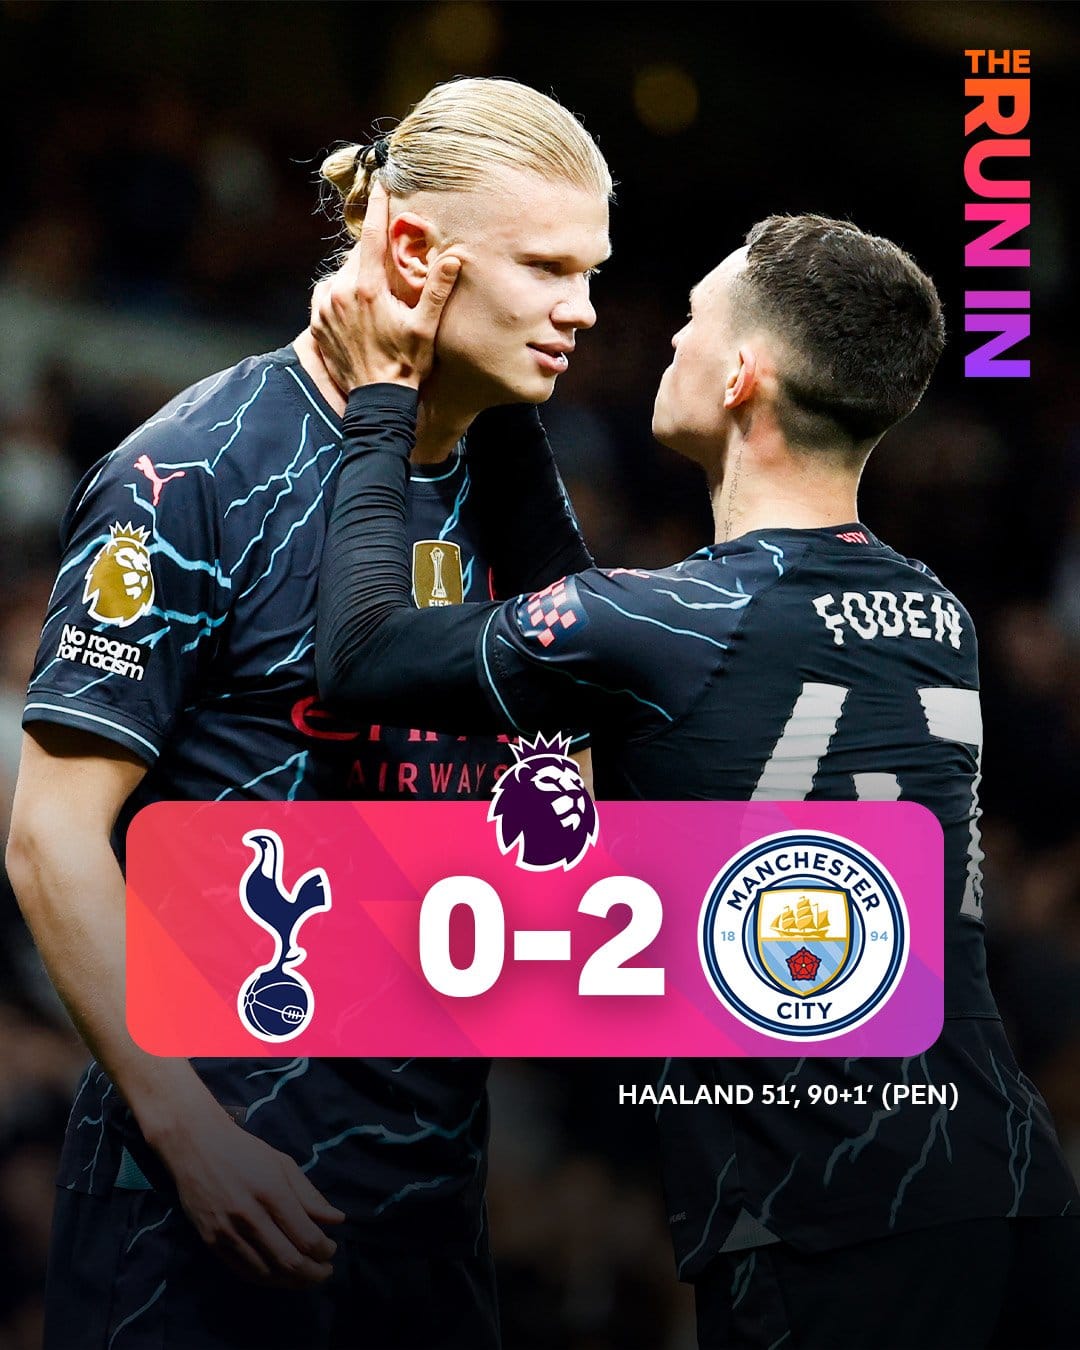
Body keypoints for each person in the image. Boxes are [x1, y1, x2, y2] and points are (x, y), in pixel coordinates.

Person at [312, 209, 1080, 1349]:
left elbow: (364, 653)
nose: (664, 343)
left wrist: (384, 403)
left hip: (826, 1218)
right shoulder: (933, 612)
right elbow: (611, 651)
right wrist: (504, 402)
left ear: (740, 376)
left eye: (688, 322)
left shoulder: (662, 624)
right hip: (1007, 1190)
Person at [5, 76, 610, 1349]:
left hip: (428, 1216)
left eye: (593, 270)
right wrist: (193, 1139)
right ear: (410, 253)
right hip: (200, 1201)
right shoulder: (197, 471)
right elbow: (49, 837)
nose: (583, 310)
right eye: (548, 267)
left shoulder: (507, 489)